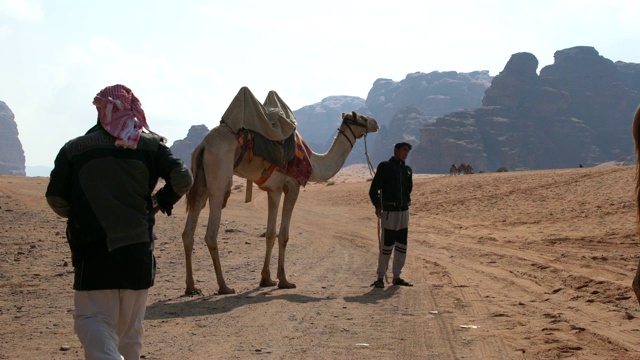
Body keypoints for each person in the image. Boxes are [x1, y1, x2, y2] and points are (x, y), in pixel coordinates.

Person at [45, 84, 193, 360]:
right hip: (138, 252)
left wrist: (82, 213)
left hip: (92, 252)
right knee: (131, 333)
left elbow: (55, 198)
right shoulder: (151, 146)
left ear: (101, 110)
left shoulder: (73, 150)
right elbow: (183, 178)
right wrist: (159, 202)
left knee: (92, 322)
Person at [369, 142, 414, 288]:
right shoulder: (385, 167)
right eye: (404, 150)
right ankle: (380, 277)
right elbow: (374, 189)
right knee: (386, 246)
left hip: (404, 212)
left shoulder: (407, 170)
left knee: (401, 245)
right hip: (389, 212)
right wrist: (377, 205)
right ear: (396, 150)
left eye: (408, 151)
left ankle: (396, 276)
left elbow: (409, 189)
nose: (406, 153)